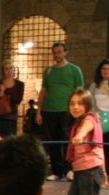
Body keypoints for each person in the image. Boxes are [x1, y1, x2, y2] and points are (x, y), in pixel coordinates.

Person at [35, 42, 85, 181]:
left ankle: (69, 169)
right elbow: (43, 91)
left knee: (67, 140)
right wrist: (39, 111)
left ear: (65, 52)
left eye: (59, 52)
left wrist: (79, 110)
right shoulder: (48, 71)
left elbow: (79, 92)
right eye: (54, 52)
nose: (56, 55)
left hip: (67, 111)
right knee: (52, 141)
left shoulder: (74, 70)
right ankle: (57, 171)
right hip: (49, 110)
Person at [0, 61, 25, 137]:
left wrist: (6, 91)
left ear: (14, 70)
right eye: (6, 69)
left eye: (11, 68)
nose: (9, 71)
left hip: (11, 117)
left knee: (10, 141)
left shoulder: (19, 84)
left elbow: (18, 100)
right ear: (3, 71)